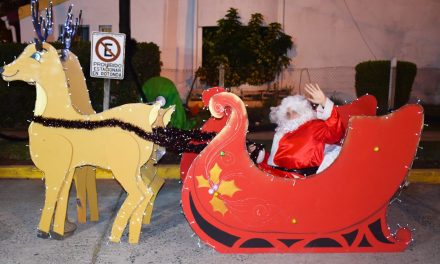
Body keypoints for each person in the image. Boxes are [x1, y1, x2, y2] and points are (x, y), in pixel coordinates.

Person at [252, 83, 344, 176]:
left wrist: (324, 102)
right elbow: (273, 162)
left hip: (301, 180)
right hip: (279, 175)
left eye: (295, 112)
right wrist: (260, 153)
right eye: (287, 113)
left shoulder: (315, 126)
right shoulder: (281, 132)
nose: (291, 116)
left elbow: (335, 133)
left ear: (304, 111)